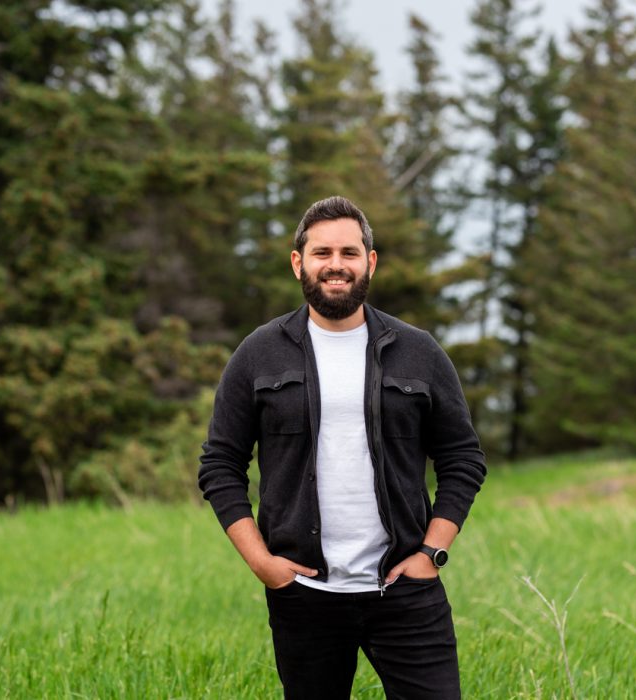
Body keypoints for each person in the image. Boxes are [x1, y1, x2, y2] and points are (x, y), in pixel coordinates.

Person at [198, 196, 487, 699]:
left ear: (370, 262)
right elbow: (220, 465)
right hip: (304, 595)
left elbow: (463, 458)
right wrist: (261, 563)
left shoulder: (419, 352)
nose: (336, 265)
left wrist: (431, 553)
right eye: (322, 253)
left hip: (405, 590)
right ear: (298, 263)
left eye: (350, 253)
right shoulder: (257, 353)